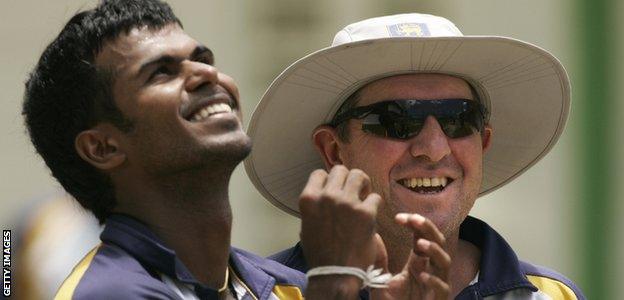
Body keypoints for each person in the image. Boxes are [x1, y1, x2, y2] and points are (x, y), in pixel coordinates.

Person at [245, 13, 586, 299]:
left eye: (458, 119)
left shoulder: (551, 295)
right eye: (398, 119)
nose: (434, 148)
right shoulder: (261, 293)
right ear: (334, 151)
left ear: (483, 143)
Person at [23, 1, 315, 298]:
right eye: (161, 72)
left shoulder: (285, 286)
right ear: (102, 147)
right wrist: (338, 275)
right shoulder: (108, 293)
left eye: (203, 59)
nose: (207, 74)